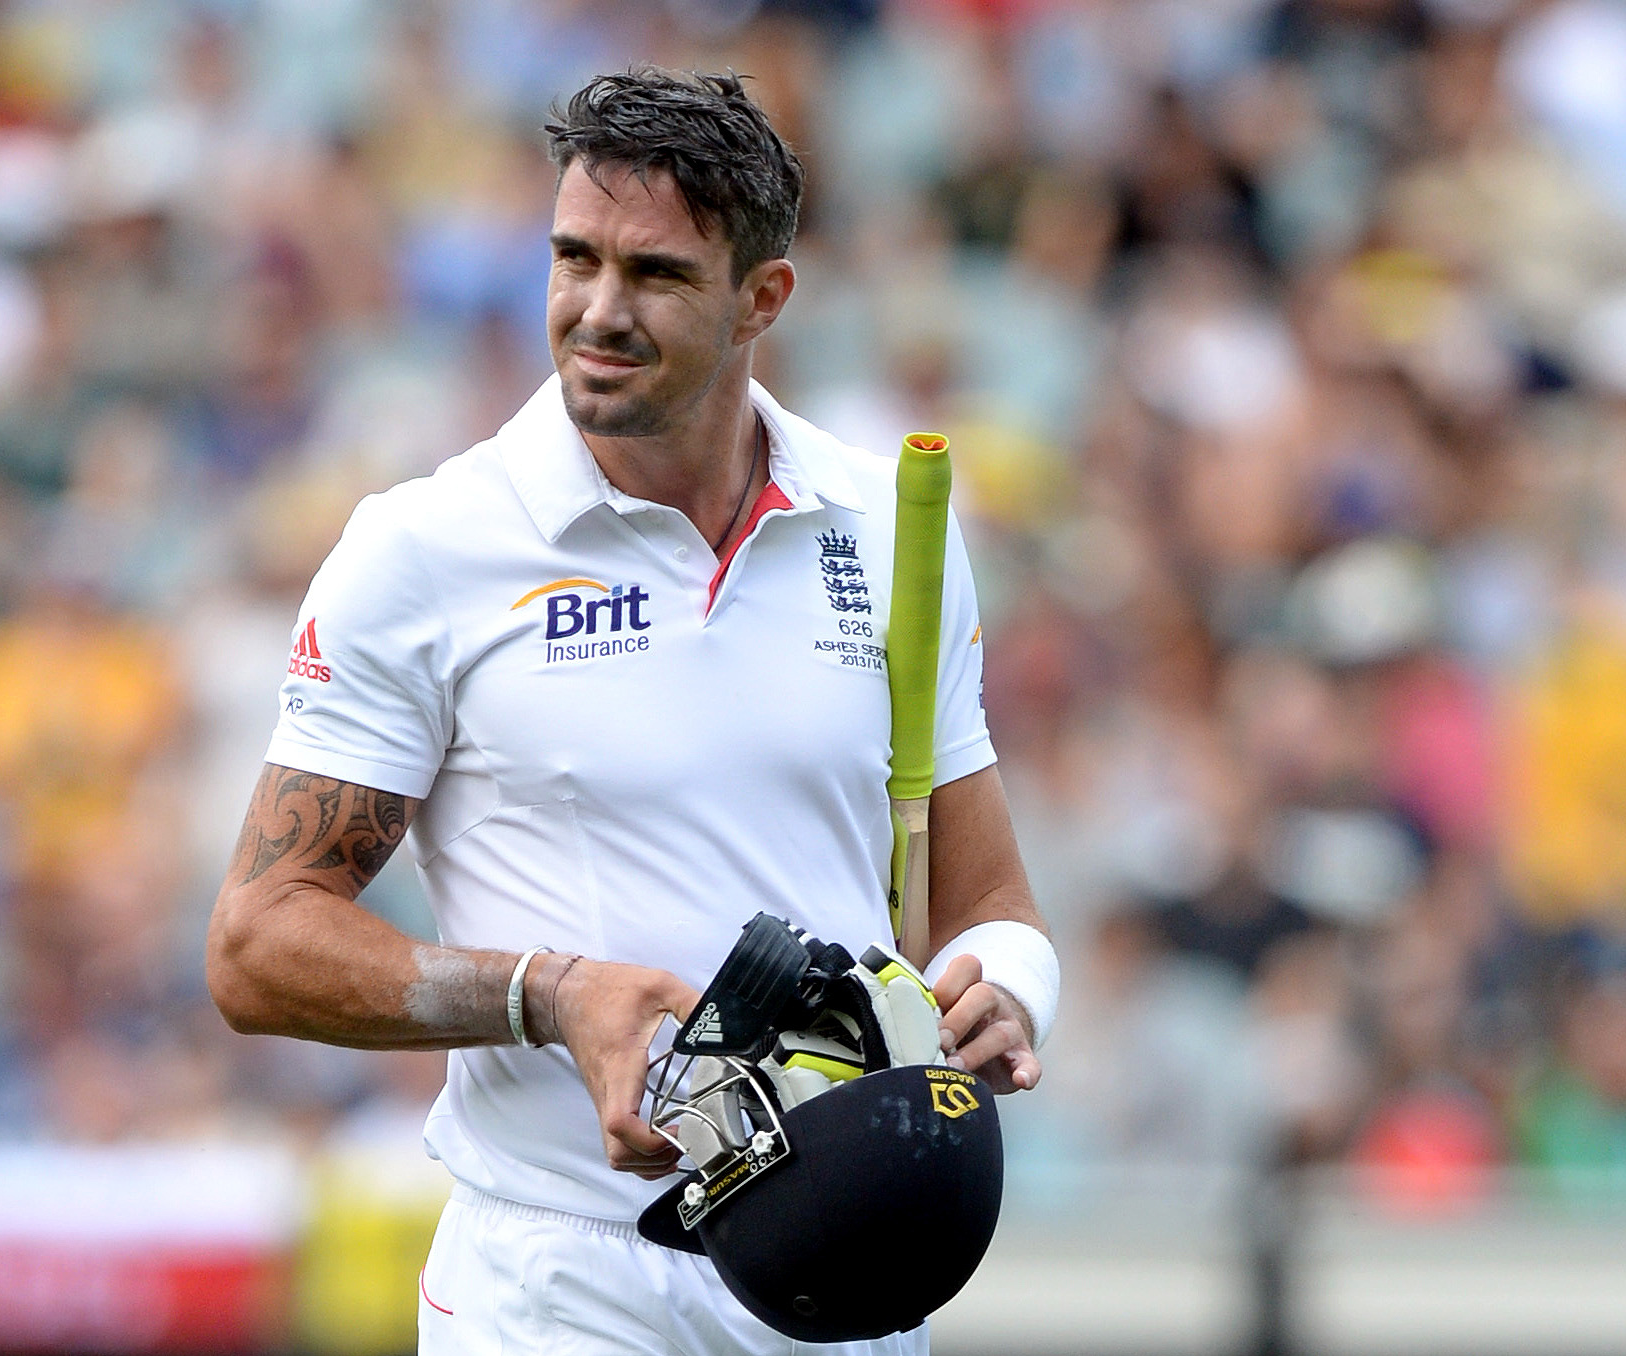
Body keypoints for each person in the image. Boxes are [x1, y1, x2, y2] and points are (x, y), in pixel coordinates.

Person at [206, 69, 1057, 1356]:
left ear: (762, 298)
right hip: (557, 1281)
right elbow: (258, 945)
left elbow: (989, 906)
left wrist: (1012, 992)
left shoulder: (889, 530)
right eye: (572, 258)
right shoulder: (425, 549)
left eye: (653, 274)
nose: (596, 311)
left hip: (844, 1276)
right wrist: (550, 995)